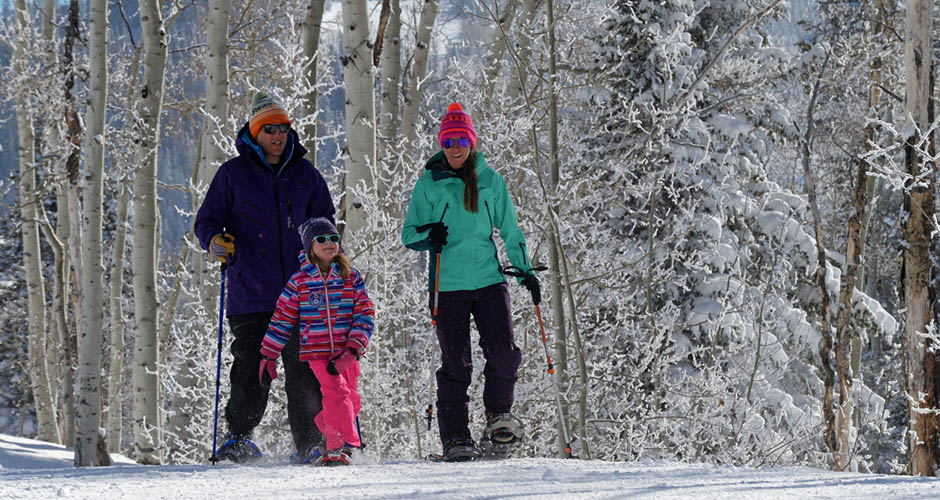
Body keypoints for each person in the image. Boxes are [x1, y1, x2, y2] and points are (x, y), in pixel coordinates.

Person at [195, 91, 336, 463]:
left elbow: (326, 222)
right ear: (254, 132)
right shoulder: (232, 175)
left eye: (283, 129)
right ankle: (239, 440)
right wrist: (215, 241)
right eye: (270, 129)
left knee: (305, 370)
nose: (278, 135)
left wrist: (323, 249)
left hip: (302, 293)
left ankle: (312, 444)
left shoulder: (306, 175)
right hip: (251, 293)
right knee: (251, 369)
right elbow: (207, 221)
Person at [401, 102, 541, 462]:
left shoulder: (491, 181)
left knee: (504, 354)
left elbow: (510, 229)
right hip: (447, 286)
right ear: (441, 145)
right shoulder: (429, 184)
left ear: (472, 142)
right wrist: (429, 236)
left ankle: (498, 421)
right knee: (456, 364)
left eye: (461, 140)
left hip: (489, 282)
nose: (455, 148)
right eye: (448, 141)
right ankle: (456, 437)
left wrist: (525, 271)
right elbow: (409, 234)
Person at [259, 217, 375, 466]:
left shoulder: (351, 277)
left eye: (333, 238)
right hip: (318, 352)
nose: (329, 243)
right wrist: (269, 354)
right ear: (310, 246)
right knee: (338, 394)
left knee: (351, 399)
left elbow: (365, 313)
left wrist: (354, 347)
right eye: (321, 239)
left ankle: (326, 422)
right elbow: (282, 319)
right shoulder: (300, 281)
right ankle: (340, 446)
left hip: (347, 351)